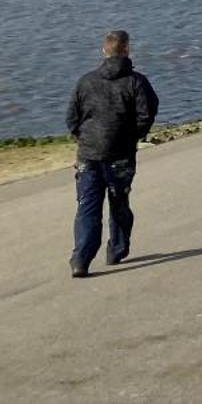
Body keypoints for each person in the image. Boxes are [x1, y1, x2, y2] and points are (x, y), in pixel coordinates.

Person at [66, 29, 157, 278]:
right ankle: (116, 249)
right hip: (118, 154)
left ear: (103, 51)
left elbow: (72, 119)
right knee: (119, 202)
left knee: (87, 206)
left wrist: (83, 138)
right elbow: (146, 115)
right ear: (126, 50)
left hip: (89, 154)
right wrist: (131, 138)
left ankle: (81, 258)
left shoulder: (86, 81)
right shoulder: (136, 82)